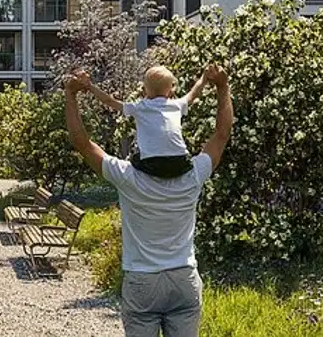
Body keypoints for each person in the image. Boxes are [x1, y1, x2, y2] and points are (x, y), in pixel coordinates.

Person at [64, 63, 233, 337]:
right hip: (183, 277)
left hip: (142, 279)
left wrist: (71, 95)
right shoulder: (193, 175)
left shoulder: (127, 177)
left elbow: (83, 144)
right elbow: (222, 134)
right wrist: (222, 87)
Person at [80, 65, 217, 178]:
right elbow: (194, 93)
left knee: (134, 157)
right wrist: (204, 78)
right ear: (170, 90)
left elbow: (109, 101)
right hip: (180, 162)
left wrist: (90, 86)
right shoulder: (176, 105)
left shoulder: (140, 107)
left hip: (151, 163)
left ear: (145, 89)